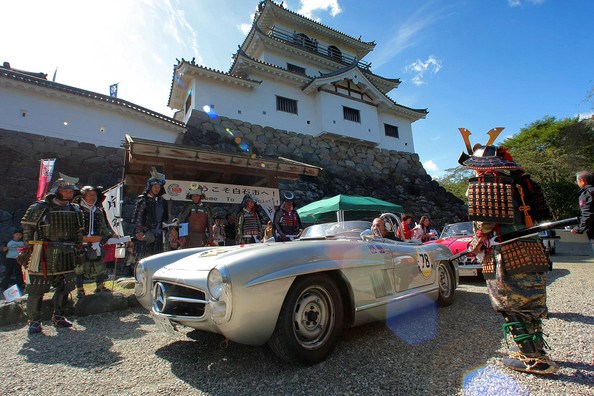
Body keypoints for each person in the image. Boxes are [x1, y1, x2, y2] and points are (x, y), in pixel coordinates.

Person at [461, 142, 557, 374]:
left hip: (506, 253)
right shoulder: (523, 183)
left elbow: (485, 224)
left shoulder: (488, 184)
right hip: (532, 250)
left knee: (510, 305)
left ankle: (534, 359)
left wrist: (474, 245)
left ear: (482, 166)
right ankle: (535, 352)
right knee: (530, 304)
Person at [18, 177, 84, 334]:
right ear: (56, 191)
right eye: (65, 190)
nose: (68, 194)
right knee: (36, 288)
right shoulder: (40, 208)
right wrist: (28, 249)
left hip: (67, 252)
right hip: (42, 252)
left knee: (65, 285)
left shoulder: (75, 209)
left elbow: (78, 232)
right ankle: (34, 321)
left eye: (70, 191)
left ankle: (59, 316)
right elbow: (28, 229)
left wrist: (79, 249)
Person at [75, 185, 114, 298]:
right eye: (90, 195)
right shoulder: (77, 210)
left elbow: (103, 227)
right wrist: (81, 238)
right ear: (83, 196)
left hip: (96, 242)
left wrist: (110, 235)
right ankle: (80, 289)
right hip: (80, 243)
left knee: (99, 265)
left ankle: (100, 286)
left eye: (95, 195)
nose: (93, 197)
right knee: (80, 267)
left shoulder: (98, 211)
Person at [132, 168, 168, 259]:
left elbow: (164, 218)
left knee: (157, 258)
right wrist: (139, 231)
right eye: (155, 186)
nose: (157, 189)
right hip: (145, 233)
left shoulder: (162, 201)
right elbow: (138, 217)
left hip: (158, 233)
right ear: (150, 187)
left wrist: (165, 225)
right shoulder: (143, 200)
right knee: (144, 258)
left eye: (159, 187)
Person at [571, 170, 594, 254]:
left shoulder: (586, 193)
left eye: (577, 181)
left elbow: (588, 214)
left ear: (582, 181)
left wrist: (579, 228)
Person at [1, 229, 25, 295]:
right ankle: (4, 286)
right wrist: (4, 249)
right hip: (9, 259)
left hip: (18, 259)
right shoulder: (9, 242)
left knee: (18, 273)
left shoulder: (22, 243)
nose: (18, 236)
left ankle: (20, 286)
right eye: (17, 234)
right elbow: (3, 249)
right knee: (8, 273)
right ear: (13, 235)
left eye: (20, 235)